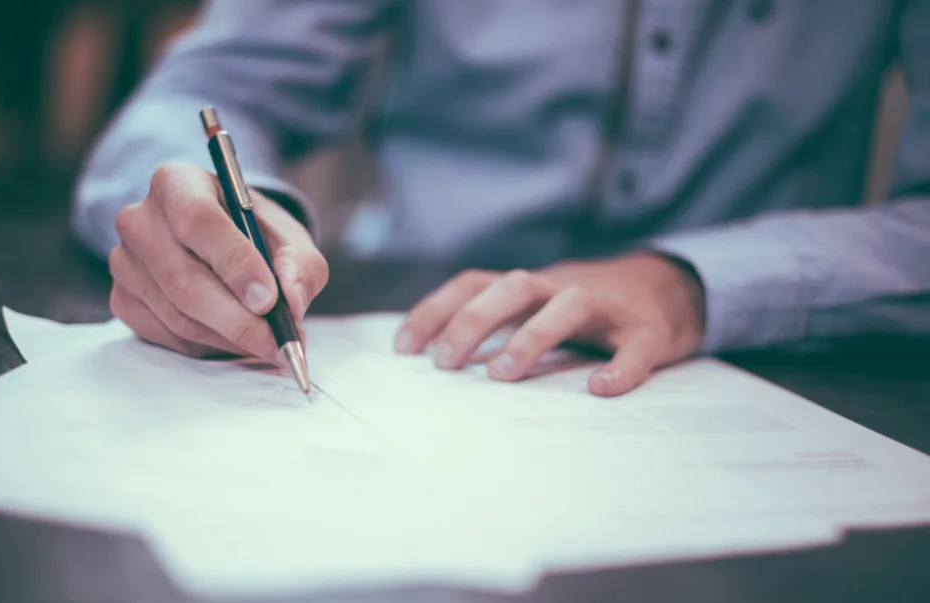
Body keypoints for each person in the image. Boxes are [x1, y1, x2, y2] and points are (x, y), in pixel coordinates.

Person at [73, 0, 930, 397]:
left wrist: (692, 281)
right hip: (415, 333)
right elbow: (210, 88)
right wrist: (218, 219)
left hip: (778, 365)